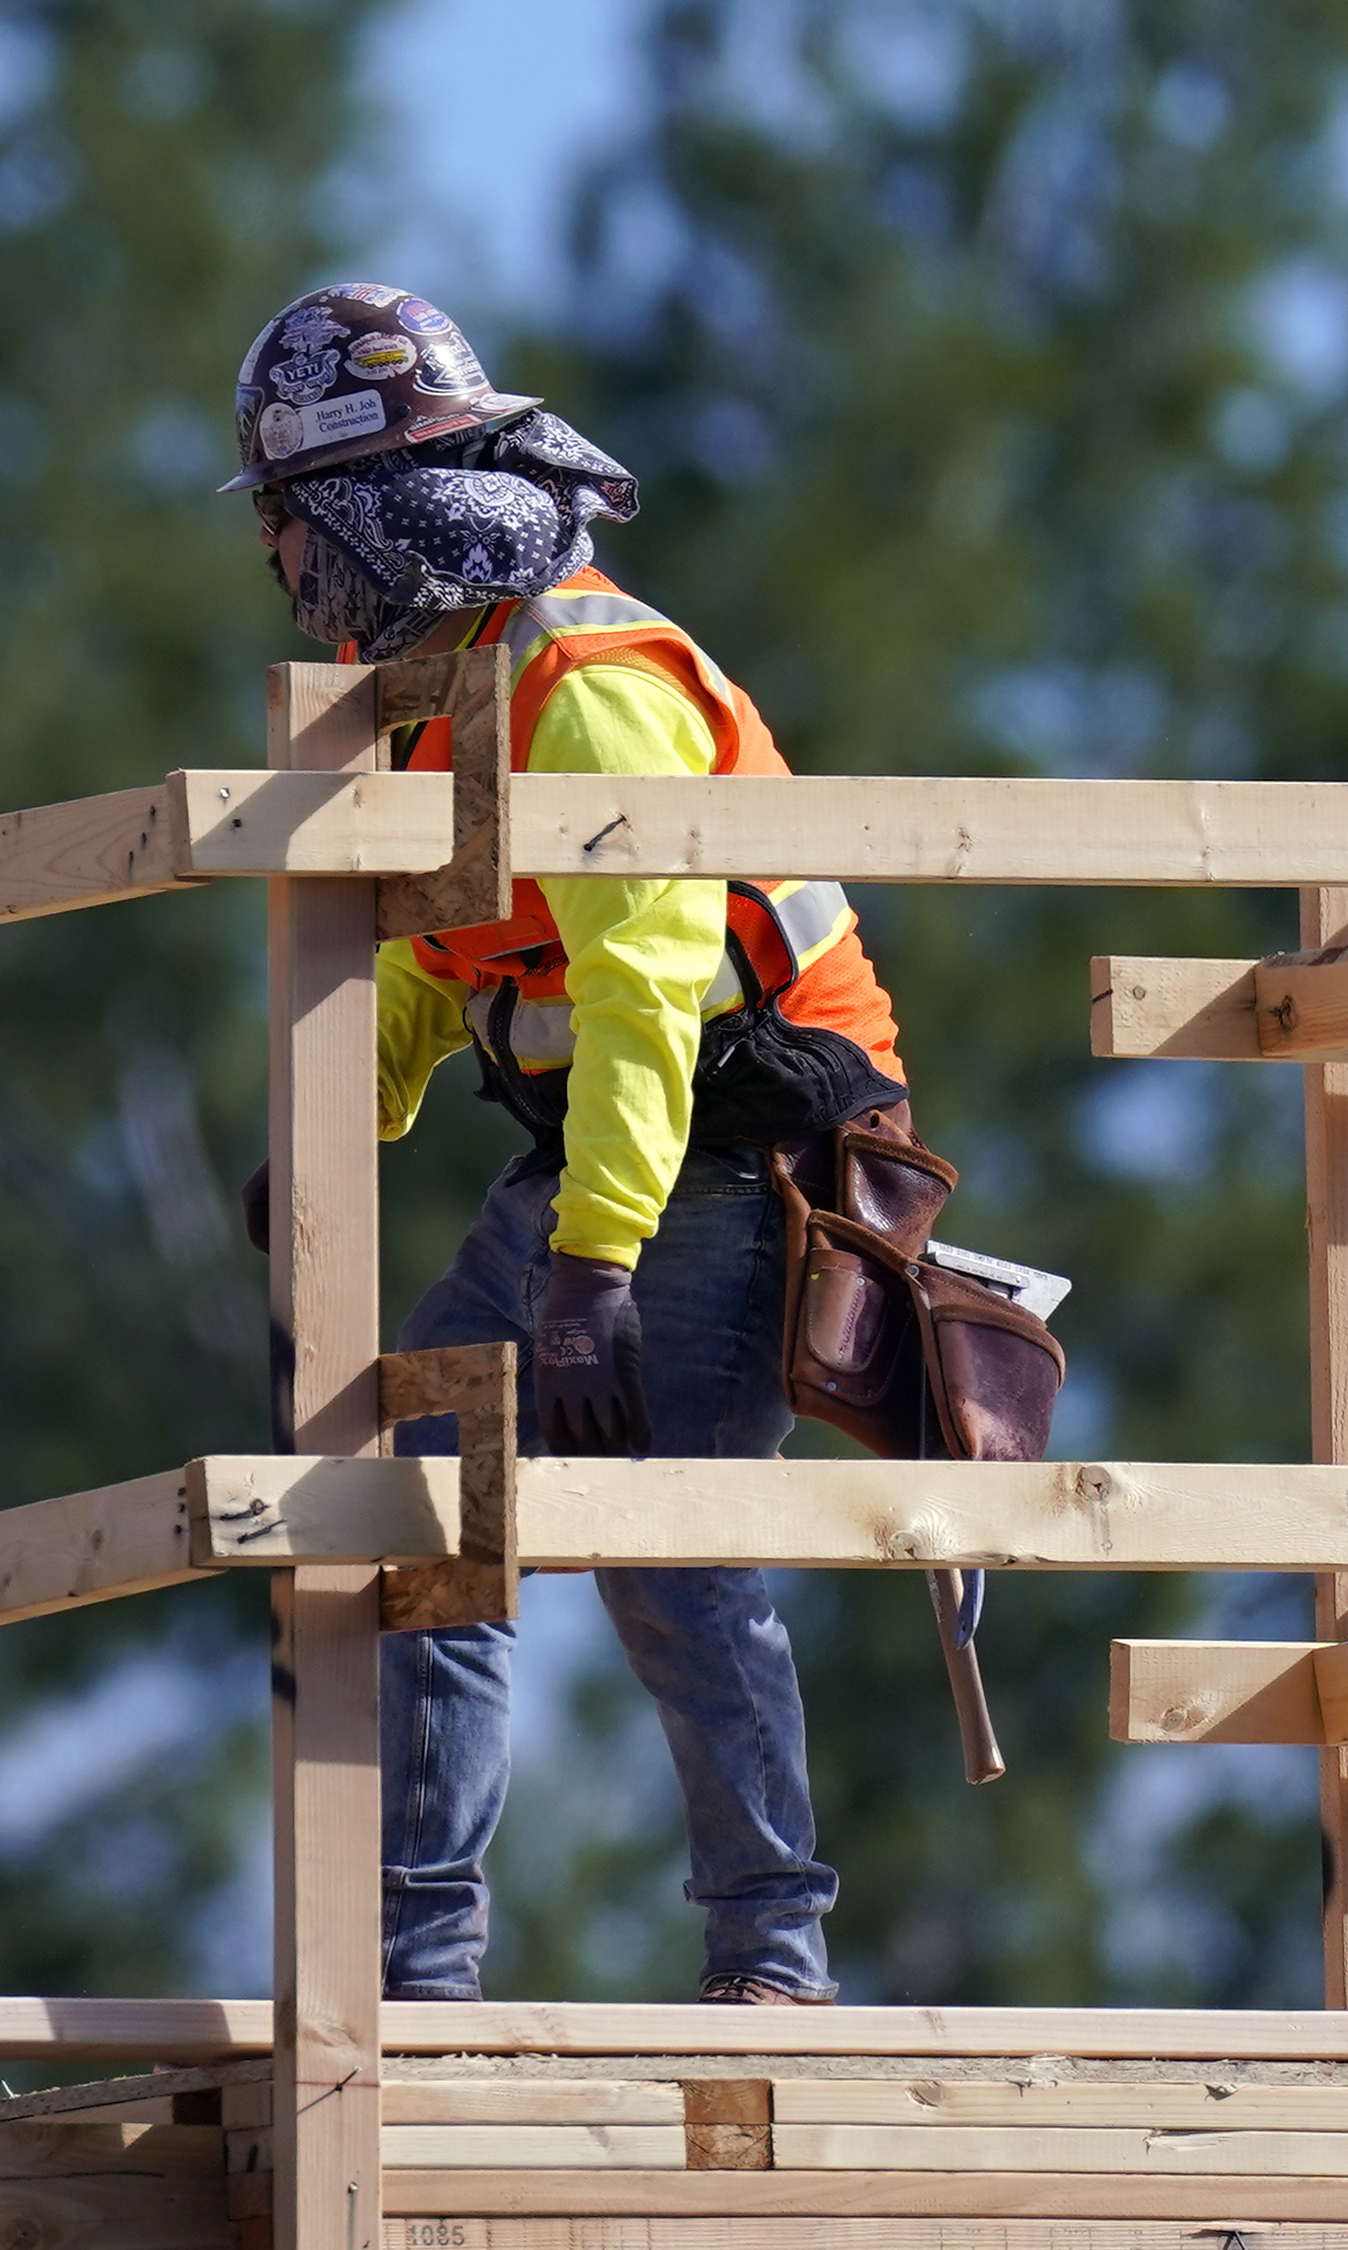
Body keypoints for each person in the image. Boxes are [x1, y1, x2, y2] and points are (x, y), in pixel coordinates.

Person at [227, 286, 916, 2006]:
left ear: (363, 523)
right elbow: (425, 948)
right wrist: (330, 1129)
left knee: (668, 1522)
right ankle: (418, 1966)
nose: (292, 581)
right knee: (424, 1512)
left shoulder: (590, 691)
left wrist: (594, 1278)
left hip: (746, 1155)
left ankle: (776, 1949)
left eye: (294, 539)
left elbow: (644, 1007)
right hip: (613, 1154)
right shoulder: (446, 692)